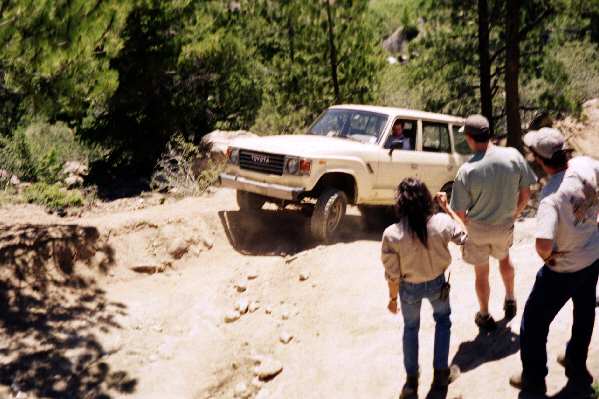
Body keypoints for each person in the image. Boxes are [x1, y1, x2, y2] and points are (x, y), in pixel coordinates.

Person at [509, 128, 599, 396]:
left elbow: (543, 246)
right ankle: (576, 363)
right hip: (593, 256)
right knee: (584, 311)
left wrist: (549, 259)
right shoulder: (586, 165)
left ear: (540, 159)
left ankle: (534, 380)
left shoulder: (550, 196)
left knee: (534, 323)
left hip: (564, 268)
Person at [449, 114, 537, 330]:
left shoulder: (467, 170)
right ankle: (510, 299)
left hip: (477, 229)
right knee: (505, 260)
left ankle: (485, 314)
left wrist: (467, 224)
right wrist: (514, 214)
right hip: (504, 223)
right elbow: (526, 193)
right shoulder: (513, 156)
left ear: (470, 138)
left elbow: (458, 212)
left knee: (482, 272)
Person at [381, 177, 466, 398]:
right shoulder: (441, 222)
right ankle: (440, 376)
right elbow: (464, 235)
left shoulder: (392, 234)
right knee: (443, 321)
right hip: (438, 283)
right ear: (427, 198)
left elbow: (393, 275)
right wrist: (447, 208)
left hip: (408, 288)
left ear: (400, 203)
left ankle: (411, 384)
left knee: (410, 329)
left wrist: (392, 300)